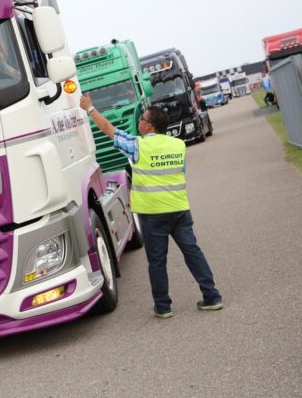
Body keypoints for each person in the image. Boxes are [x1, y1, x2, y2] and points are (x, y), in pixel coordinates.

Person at [79, 93, 223, 319]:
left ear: (149, 126)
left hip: (153, 214)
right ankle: (212, 296)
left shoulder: (138, 146)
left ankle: (163, 307)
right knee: (193, 252)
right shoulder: (178, 145)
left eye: (142, 120)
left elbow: (109, 129)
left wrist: (89, 108)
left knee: (156, 261)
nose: (139, 122)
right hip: (179, 209)